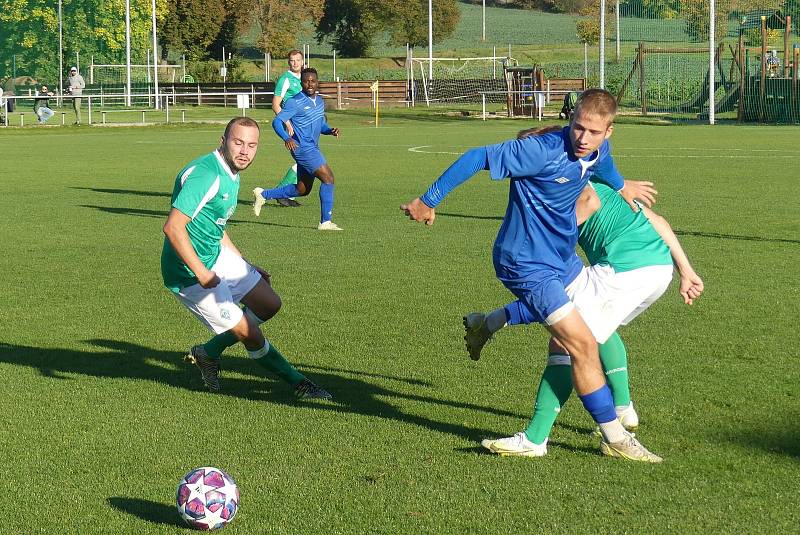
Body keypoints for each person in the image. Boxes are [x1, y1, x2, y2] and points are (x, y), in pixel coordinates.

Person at [401, 89, 663, 462]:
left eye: (593, 131)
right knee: (583, 346)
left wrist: (622, 185)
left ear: (608, 132)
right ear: (571, 120)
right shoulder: (540, 150)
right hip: (525, 263)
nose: (582, 138)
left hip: (562, 260)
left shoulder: (597, 151)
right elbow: (477, 157)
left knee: (582, 338)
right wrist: (428, 201)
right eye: (578, 127)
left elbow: (602, 167)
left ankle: (488, 327)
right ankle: (615, 437)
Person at [468, 174, 704, 458]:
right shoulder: (601, 183)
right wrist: (686, 271)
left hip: (626, 270)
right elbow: (658, 221)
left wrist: (547, 236)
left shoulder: (563, 185)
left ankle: (535, 440)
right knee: (589, 327)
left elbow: (588, 204)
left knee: (567, 342)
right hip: (656, 267)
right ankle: (622, 410)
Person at [161, 116, 332, 399]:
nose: (244, 151)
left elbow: (217, 226)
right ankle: (300, 384)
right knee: (248, 331)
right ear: (223, 141)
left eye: (251, 145)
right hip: (189, 272)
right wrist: (203, 274)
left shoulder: (230, 172)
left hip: (214, 256)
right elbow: (173, 227)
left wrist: (245, 265)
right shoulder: (208, 175)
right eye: (238, 142)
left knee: (269, 304)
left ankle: (207, 352)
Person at [253, 67, 342, 231]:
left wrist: (329, 130)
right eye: (306, 81)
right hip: (302, 148)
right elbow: (277, 122)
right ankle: (325, 222)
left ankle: (263, 194)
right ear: (301, 83)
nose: (310, 84)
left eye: (313, 81)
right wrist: (287, 138)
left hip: (312, 147)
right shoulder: (295, 101)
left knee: (302, 190)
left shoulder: (320, 101)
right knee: (328, 178)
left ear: (317, 82)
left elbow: (319, 123)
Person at [267, 50, 305, 208]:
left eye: (297, 60)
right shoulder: (285, 79)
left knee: (305, 160)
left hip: (304, 125)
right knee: (305, 160)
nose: (295, 63)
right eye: (292, 60)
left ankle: (282, 193)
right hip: (293, 124)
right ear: (288, 62)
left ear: (302, 61)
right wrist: (287, 123)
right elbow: (276, 104)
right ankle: (280, 193)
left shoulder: (304, 78)